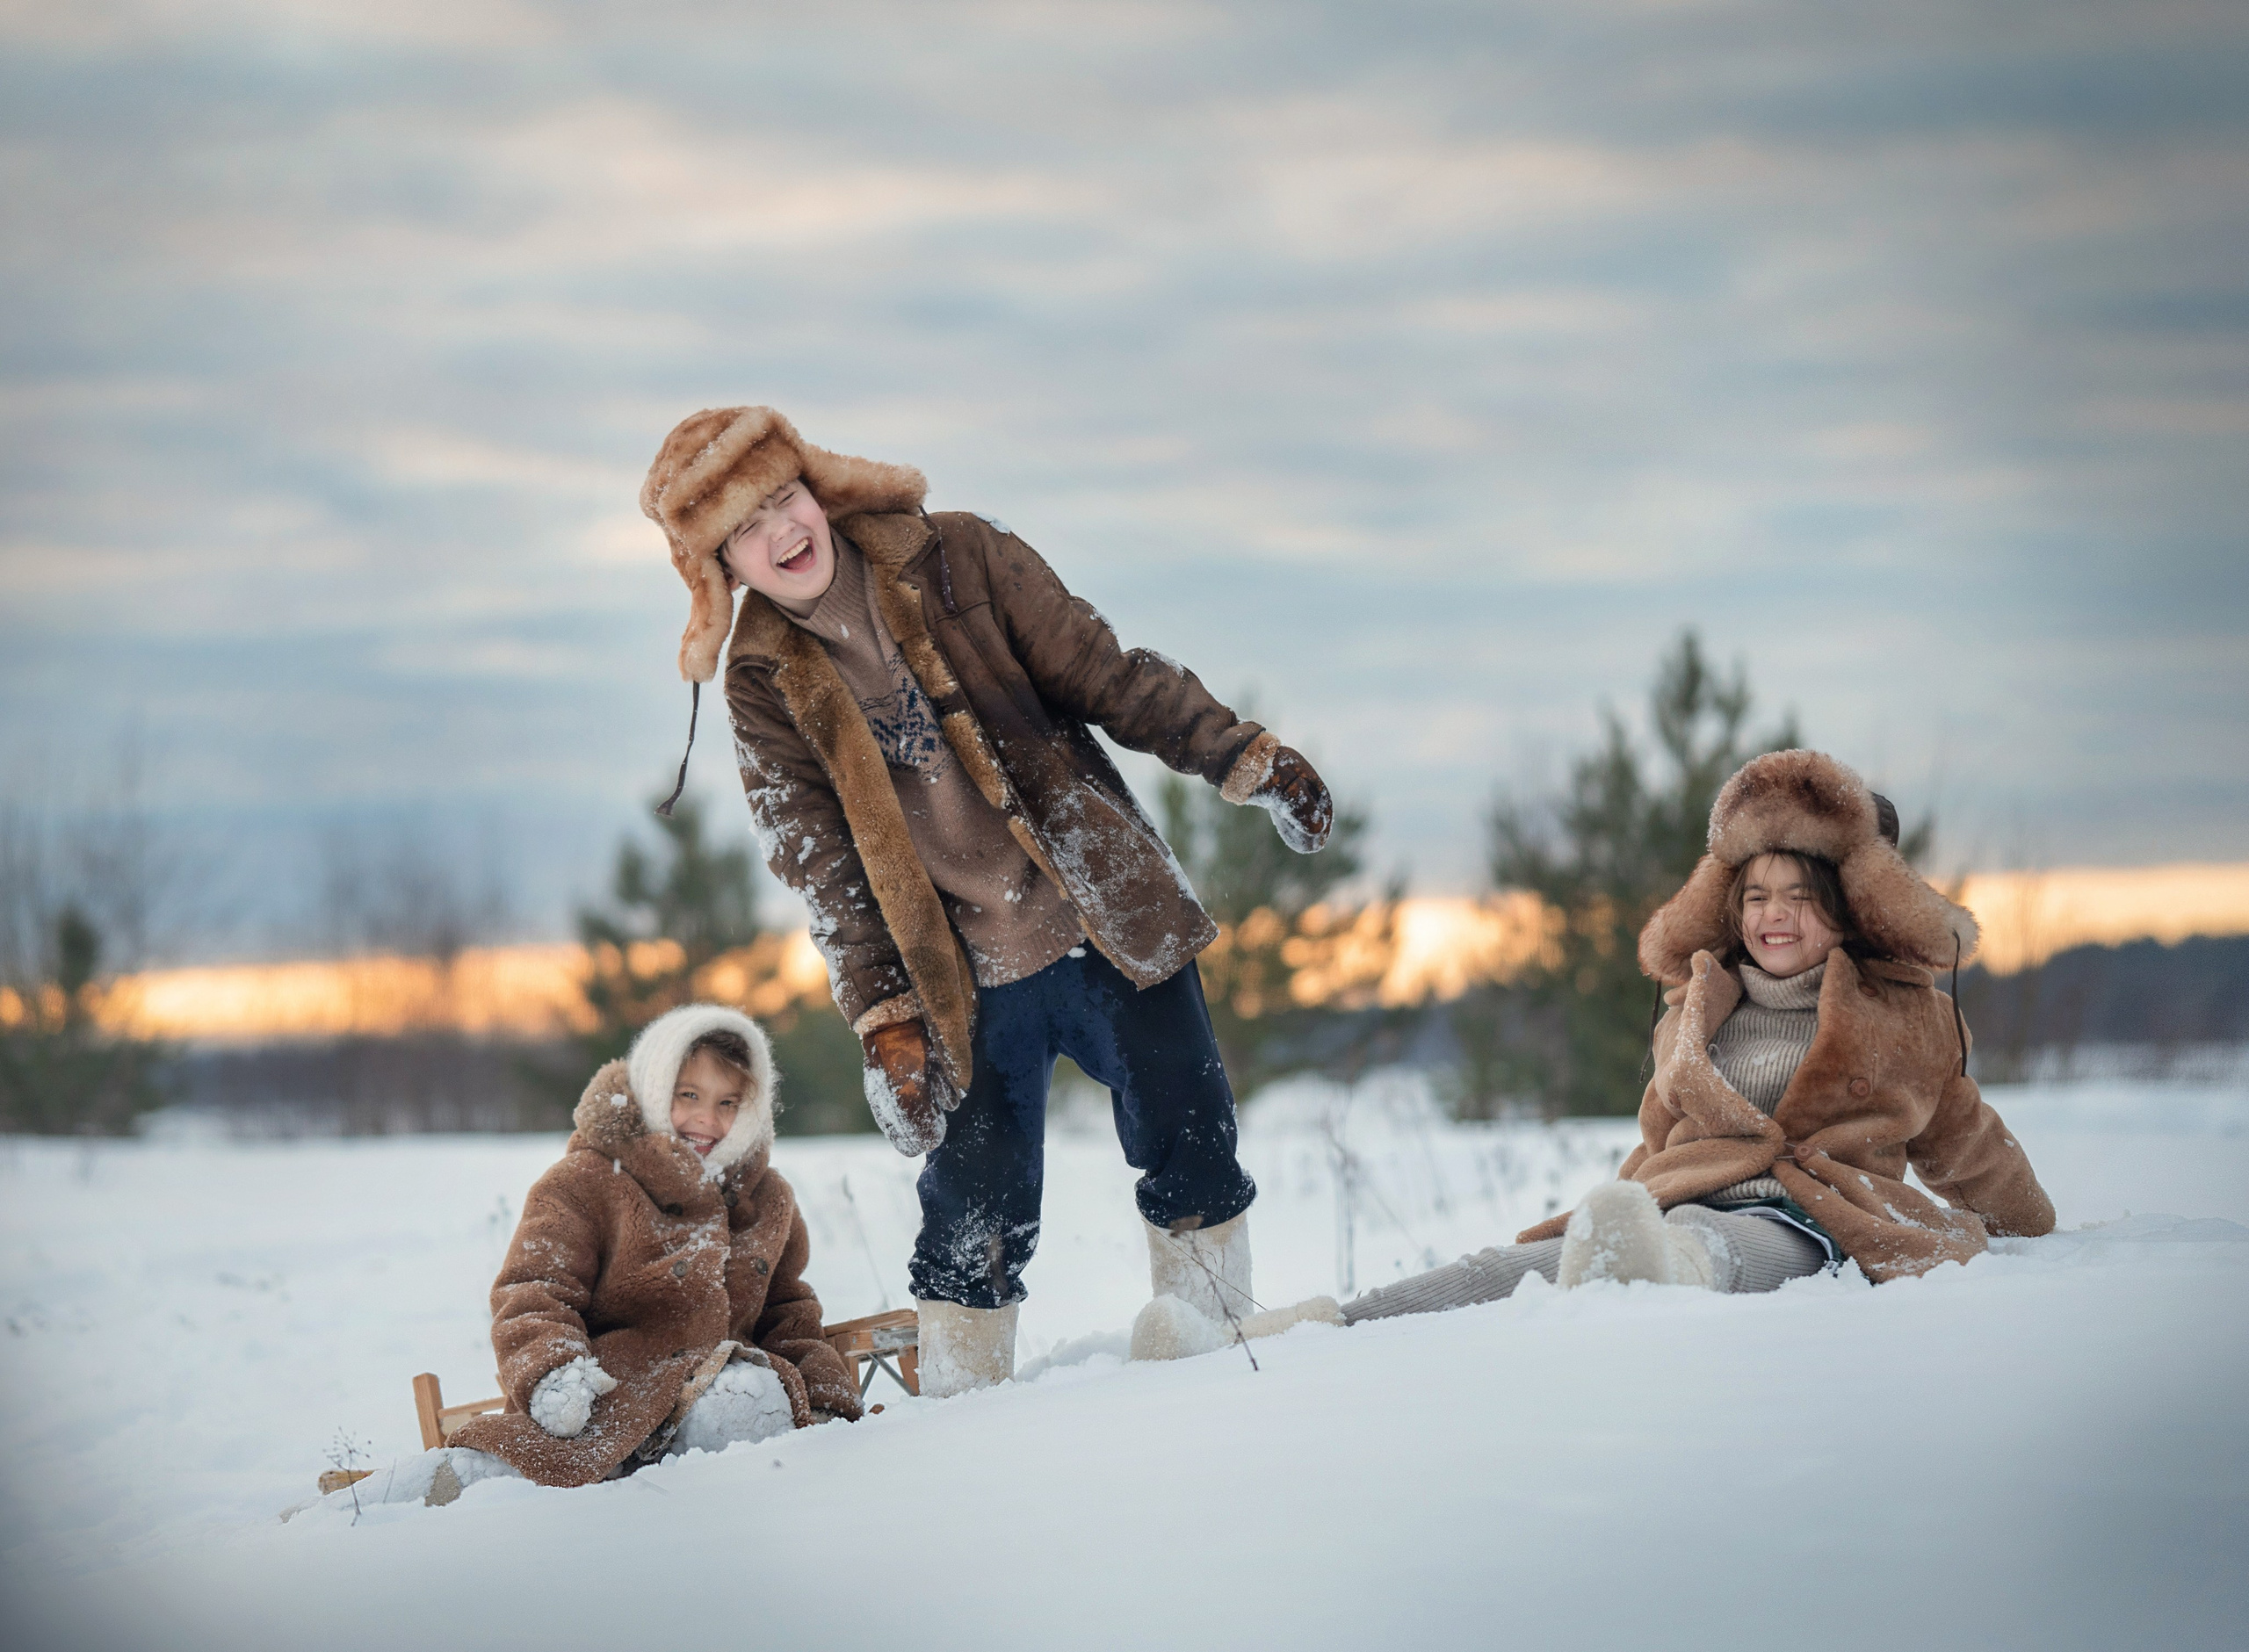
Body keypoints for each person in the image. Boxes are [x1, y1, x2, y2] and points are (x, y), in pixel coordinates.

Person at [638, 406, 1335, 1395]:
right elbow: (819, 862)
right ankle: (965, 1410)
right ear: (721, 568)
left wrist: (1241, 756)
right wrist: (884, 1016)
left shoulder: (957, 558)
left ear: (819, 486)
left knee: (1192, 1129)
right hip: (960, 977)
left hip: (1102, 917)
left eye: (786, 498)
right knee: (974, 1208)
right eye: (746, 529)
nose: (781, 532)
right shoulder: (762, 681)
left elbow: (1111, 676)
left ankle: (1221, 1346)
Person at [1328, 748, 2057, 1331]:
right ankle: (1334, 1323)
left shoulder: (1904, 1016)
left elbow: (1965, 1138)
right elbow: (1659, 1140)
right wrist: (1623, 1205)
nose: (1777, 917)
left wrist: (2030, 1220)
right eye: (1759, 897)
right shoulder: (1702, 1004)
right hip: (1689, 1198)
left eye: (1803, 899)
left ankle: (1648, 1264)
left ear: (1850, 911)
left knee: (1729, 1250)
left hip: (1813, 1219)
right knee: (1507, 1266)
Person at [314, 1004, 864, 1509]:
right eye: (688, 1095)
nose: (707, 1121)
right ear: (652, 1088)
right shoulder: (588, 1182)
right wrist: (555, 1374)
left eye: (728, 1104)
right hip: (609, 1397)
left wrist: (823, 1393)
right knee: (513, 1473)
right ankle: (378, 1504)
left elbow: (787, 1309)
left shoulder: (767, 1199)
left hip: (720, 1396)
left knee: (749, 1399)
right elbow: (534, 1289)